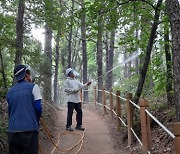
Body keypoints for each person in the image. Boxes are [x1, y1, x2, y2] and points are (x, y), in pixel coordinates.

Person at [6, 64, 42, 154]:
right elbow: (38, 108)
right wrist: (36, 121)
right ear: (26, 75)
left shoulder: (9, 92)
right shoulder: (33, 87)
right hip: (29, 131)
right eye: (29, 74)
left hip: (12, 132)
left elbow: (10, 112)